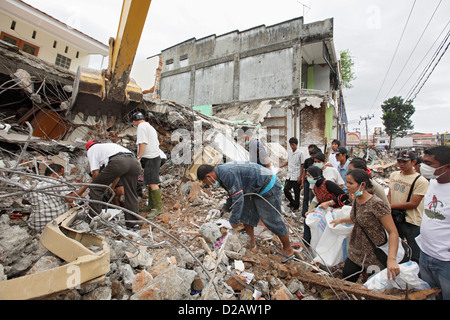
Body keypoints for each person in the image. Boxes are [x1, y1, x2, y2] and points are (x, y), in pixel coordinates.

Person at [197, 162, 294, 262]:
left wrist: (232, 223)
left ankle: (288, 249)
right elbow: (232, 194)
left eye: (205, 182)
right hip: (251, 188)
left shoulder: (226, 173)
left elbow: (238, 199)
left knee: (271, 219)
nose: (208, 185)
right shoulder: (221, 175)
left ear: (208, 176)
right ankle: (251, 243)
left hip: (268, 185)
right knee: (246, 214)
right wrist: (222, 210)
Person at [331, 169, 401, 282]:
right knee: (347, 278)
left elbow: (393, 232)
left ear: (362, 184)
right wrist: (340, 221)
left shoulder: (377, 204)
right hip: (356, 250)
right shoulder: (356, 199)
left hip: (373, 254)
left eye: (350, 183)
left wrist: (391, 259)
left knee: (372, 284)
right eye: (346, 182)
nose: (347, 186)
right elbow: (357, 219)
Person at [416, 146, 450, 300]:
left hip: (445, 261)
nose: (424, 167)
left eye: (429, 163)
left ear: (447, 167)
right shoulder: (433, 182)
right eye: (423, 162)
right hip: (426, 253)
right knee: (429, 295)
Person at [86, 140, 141, 229]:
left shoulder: (92, 150)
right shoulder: (109, 146)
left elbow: (95, 172)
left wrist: (96, 186)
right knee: (131, 193)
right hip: (134, 162)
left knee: (95, 188)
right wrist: (111, 187)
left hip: (119, 162)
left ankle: (95, 219)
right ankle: (133, 224)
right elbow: (117, 174)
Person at [388, 150, 429, 262]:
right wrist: (388, 208)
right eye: (399, 161)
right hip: (396, 217)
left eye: (405, 162)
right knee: (397, 248)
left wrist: (390, 206)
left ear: (413, 162)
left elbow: (413, 204)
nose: (401, 164)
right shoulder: (394, 175)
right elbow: (390, 194)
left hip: (411, 221)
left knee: (414, 251)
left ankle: (416, 274)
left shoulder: (421, 181)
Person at [24, 163, 88, 234]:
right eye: (61, 174)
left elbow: (24, 201)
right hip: (54, 226)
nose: (62, 177)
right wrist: (85, 187)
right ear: (54, 174)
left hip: (36, 226)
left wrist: (40, 201)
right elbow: (70, 199)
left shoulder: (35, 186)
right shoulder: (58, 182)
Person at [131, 111, 163, 218]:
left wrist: (139, 157)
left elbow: (143, 143)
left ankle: (158, 208)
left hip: (151, 158)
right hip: (153, 157)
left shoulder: (141, 127)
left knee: (153, 182)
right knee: (150, 182)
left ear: (134, 121)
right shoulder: (148, 126)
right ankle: (152, 205)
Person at [280, 137, 304, 210]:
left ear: (296, 144)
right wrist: (281, 166)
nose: (292, 146)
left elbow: (302, 165)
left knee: (297, 192)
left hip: (297, 175)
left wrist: (300, 176)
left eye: (293, 145)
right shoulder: (290, 153)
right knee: (286, 190)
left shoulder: (300, 153)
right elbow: (288, 162)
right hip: (290, 175)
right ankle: (292, 202)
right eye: (290, 145)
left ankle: (296, 207)